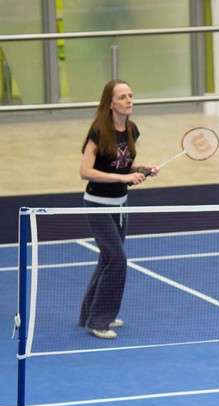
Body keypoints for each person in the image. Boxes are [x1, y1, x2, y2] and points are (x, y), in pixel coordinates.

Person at [77, 79, 158, 340]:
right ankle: (100, 321)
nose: (129, 100)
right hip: (98, 205)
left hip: (120, 205)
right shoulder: (99, 131)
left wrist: (141, 170)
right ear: (110, 103)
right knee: (118, 260)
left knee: (108, 258)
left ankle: (88, 313)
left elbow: (121, 167)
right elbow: (85, 172)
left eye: (131, 96)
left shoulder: (132, 130)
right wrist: (124, 179)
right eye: (122, 97)